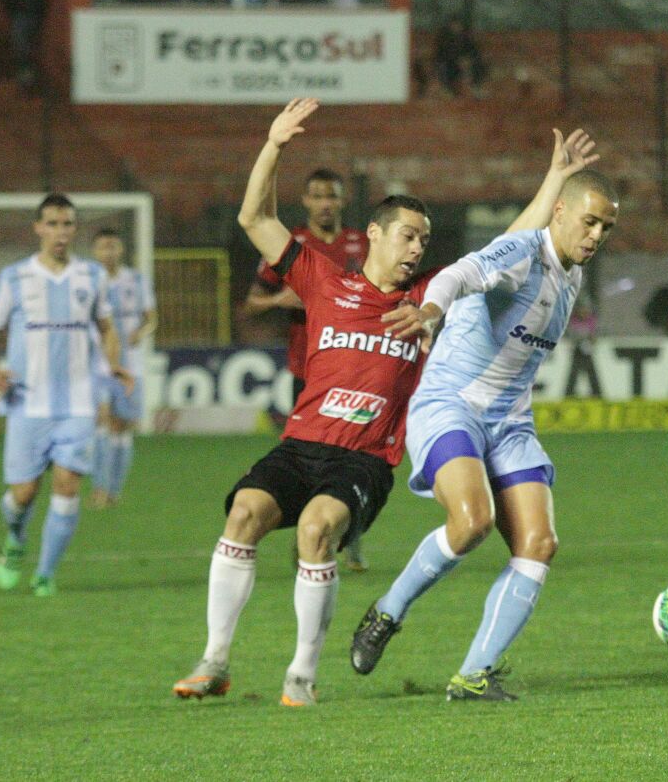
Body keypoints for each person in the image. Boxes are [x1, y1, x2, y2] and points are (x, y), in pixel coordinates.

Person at [172, 99, 598, 707]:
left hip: (364, 459)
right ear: (374, 234)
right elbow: (253, 217)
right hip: (301, 444)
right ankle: (214, 661)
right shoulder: (323, 280)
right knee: (242, 513)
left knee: (316, 530)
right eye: (408, 235)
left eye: (425, 239)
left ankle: (301, 676)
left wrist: (552, 182)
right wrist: (273, 145)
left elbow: (511, 245)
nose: (418, 248)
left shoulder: (429, 296)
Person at [350, 166, 615, 703]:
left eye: (605, 229)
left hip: (511, 422)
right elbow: (459, 275)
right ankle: (386, 612)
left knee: (538, 543)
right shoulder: (521, 254)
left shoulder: (570, 271)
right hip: (451, 407)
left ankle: (474, 675)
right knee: (472, 522)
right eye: (589, 223)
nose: (595, 237)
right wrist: (428, 311)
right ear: (560, 212)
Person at [0, 194, 132, 597]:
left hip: (78, 403)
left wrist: (113, 363)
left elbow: (107, 327)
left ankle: (45, 574)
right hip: (27, 401)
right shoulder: (14, 277)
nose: (60, 232)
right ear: (38, 228)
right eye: (52, 224)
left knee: (67, 485)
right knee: (24, 493)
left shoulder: (92, 276)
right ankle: (15, 539)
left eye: (67, 224)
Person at [243, 166, 369, 571]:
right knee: (313, 455)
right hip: (309, 370)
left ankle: (349, 535)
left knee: (356, 453)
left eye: (331, 195)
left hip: (358, 368)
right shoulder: (292, 244)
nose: (325, 203)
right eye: (317, 196)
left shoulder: (362, 244)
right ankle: (311, 536)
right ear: (306, 201)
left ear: (342, 200)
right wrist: (280, 301)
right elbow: (251, 302)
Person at [88, 228, 157, 509]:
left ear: (122, 250)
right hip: (98, 362)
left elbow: (151, 317)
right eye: (104, 247)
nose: (109, 252)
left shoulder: (136, 280)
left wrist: (142, 331)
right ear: (94, 251)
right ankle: (99, 489)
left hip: (131, 364)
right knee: (101, 421)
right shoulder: (88, 280)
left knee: (122, 428)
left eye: (114, 246)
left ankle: (114, 491)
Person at [0, 0, 49, 90]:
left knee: (22, 49)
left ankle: (26, 80)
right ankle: (29, 79)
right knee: (29, 48)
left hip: (20, 15)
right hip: (33, 15)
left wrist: (11, 10)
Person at [433, 17, 486, 98]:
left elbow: (474, 51)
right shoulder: (444, 38)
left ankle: (476, 87)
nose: (456, 27)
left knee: (479, 64)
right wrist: (458, 61)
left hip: (466, 63)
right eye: (454, 25)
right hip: (450, 64)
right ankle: (447, 90)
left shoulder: (466, 38)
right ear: (450, 26)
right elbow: (442, 54)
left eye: (458, 25)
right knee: (443, 67)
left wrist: (468, 60)